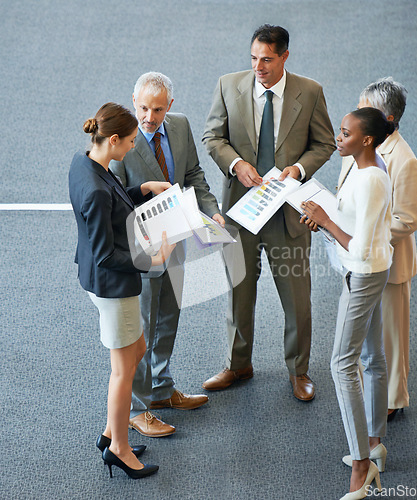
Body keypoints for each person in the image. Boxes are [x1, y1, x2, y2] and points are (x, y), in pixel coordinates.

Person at [202, 24, 336, 401]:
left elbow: (324, 143)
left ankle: (299, 371)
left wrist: (299, 170)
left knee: (297, 298)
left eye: (267, 60)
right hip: (241, 211)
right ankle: (238, 365)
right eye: (253, 58)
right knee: (237, 292)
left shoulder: (309, 92)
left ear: (284, 57)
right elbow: (213, 137)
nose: (258, 67)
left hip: (286, 214)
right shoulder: (229, 85)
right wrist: (236, 165)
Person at [110, 72, 224, 437]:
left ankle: (160, 390)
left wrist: (211, 209)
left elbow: (193, 174)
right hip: (142, 251)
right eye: (143, 107)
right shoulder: (122, 140)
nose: (148, 117)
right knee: (139, 331)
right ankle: (138, 409)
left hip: (177, 241)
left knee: (168, 318)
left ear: (169, 107)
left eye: (157, 109)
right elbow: (114, 197)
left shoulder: (180, 126)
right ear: (133, 101)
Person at [69, 102, 176, 478]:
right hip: (113, 288)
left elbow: (114, 198)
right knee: (123, 369)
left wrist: (144, 188)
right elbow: (105, 256)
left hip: (104, 284)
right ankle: (119, 447)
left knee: (137, 351)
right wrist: (152, 259)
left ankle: (109, 432)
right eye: (130, 141)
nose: (133, 147)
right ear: (113, 139)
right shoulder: (95, 189)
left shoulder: (85, 163)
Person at [301, 108, 394, 499]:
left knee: (342, 364)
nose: (338, 139)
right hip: (368, 270)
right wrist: (324, 217)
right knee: (371, 356)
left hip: (364, 274)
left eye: (345, 134)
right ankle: (374, 444)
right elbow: (354, 223)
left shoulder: (372, 179)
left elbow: (360, 243)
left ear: (367, 140)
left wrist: (324, 220)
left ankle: (362, 464)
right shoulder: (364, 166)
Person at [338, 77, 417, 420]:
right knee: (370, 338)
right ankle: (372, 394)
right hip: (357, 255)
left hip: (386, 262)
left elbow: (407, 219)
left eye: (364, 108)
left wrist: (364, 234)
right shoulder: (361, 142)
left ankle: (392, 401)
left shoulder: (404, 160)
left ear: (385, 119)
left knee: (391, 335)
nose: (356, 114)